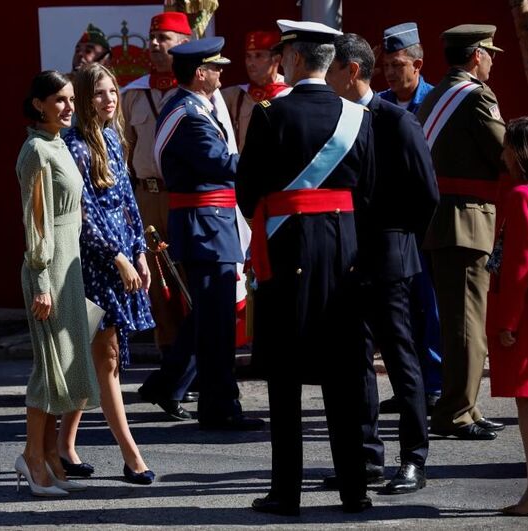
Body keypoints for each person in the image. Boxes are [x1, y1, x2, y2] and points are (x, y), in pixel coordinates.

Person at [237, 20, 375, 515]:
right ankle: (355, 489)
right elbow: (369, 190)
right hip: (343, 251)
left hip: (287, 249)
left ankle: (286, 491)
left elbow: (247, 190)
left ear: (295, 58)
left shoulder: (270, 113)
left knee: (285, 374)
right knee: (343, 370)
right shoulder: (358, 117)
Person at [326, 33, 438, 495]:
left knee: (400, 359)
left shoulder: (396, 120)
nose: (324, 78)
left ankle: (413, 458)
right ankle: (366, 457)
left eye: (330, 69)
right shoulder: (336, 119)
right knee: (355, 361)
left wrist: (399, 240)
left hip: (390, 257)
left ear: (351, 71)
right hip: (346, 259)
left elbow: (427, 193)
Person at [154, 36, 263, 432]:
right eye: (216, 67)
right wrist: (270, 158)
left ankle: (172, 386)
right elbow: (222, 165)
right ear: (200, 73)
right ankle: (220, 408)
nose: (220, 73)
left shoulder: (192, 109)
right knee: (216, 325)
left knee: (211, 317)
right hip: (207, 227)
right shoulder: (190, 116)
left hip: (209, 224)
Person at [60, 63, 156, 484]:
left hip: (121, 257)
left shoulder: (113, 138)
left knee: (94, 358)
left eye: (113, 91)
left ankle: (63, 446)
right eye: (99, 92)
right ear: (84, 98)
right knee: (107, 358)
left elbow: (128, 202)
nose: (109, 99)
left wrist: (139, 252)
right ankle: (132, 456)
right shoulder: (74, 146)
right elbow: (84, 215)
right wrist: (117, 256)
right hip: (93, 264)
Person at [417, 24, 506, 440]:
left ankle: (466, 405)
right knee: (467, 323)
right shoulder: (476, 96)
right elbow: (506, 153)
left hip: (443, 219)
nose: (492, 63)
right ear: (476, 56)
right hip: (466, 220)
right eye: (490, 55)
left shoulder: (437, 95)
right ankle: (456, 413)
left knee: (459, 319)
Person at [15, 70, 100, 496]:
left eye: (70, 99)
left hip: (70, 265)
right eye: (59, 100)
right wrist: (42, 280)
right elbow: (36, 223)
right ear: (39, 104)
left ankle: (50, 455)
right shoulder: (35, 151)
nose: (68, 107)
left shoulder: (59, 143)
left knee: (65, 369)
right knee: (48, 369)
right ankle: (32, 458)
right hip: (47, 268)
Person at [122, 11, 195, 421]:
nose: (153, 45)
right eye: (151, 38)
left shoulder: (196, 91)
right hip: (146, 198)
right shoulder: (132, 94)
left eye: (163, 38)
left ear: (183, 43)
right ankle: (170, 363)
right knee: (158, 283)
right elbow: (123, 151)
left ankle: (194, 367)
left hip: (186, 196)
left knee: (192, 280)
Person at [377, 21, 442, 415]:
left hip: (426, 222)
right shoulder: (378, 104)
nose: (389, 72)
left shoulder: (434, 103)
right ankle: (406, 387)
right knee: (397, 311)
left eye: (397, 64)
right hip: (390, 225)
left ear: (417, 64)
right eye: (386, 64)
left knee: (429, 305)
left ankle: (433, 385)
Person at [487, 116, 528, 516]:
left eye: (506, 147)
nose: (502, 155)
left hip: (526, 316)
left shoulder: (520, 196)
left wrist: (507, 323)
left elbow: (519, 265)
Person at [221, 30, 290, 150]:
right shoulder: (236, 94)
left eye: (258, 56)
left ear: (276, 59)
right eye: (248, 56)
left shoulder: (290, 93)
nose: (250, 63)